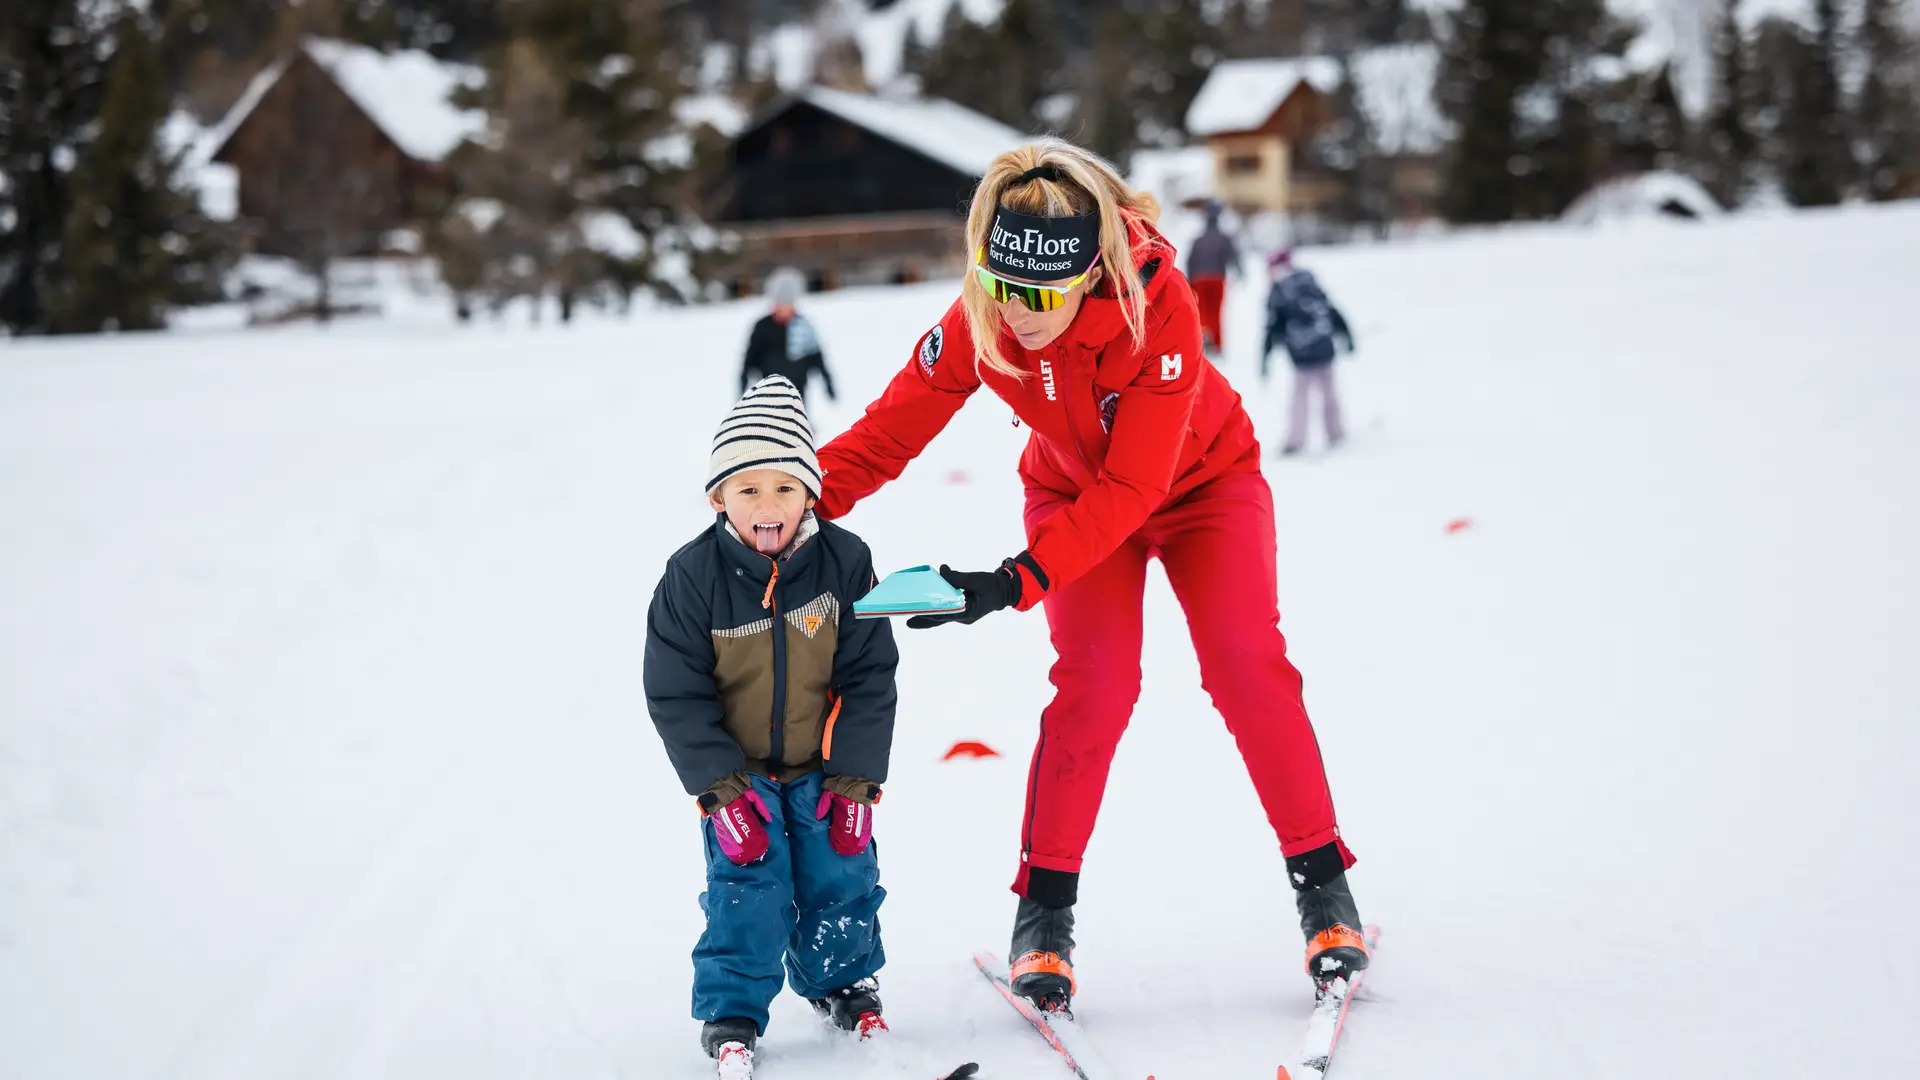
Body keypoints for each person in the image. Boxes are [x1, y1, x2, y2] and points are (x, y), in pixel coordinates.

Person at [813, 138, 1368, 1013]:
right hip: (1069, 492)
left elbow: (1136, 485)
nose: (1016, 311)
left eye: (1038, 294)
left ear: (1087, 275)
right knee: (1095, 686)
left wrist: (1011, 580)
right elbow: (888, 433)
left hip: (1202, 487)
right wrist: (785, 507)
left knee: (1244, 665)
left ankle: (1324, 886)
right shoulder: (985, 314)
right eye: (999, 285)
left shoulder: (1160, 307)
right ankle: (1044, 913)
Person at [645, 375, 899, 1071]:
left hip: (823, 770)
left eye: (785, 487)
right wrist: (717, 789)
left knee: (841, 874)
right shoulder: (692, 577)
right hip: (741, 778)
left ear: (810, 493)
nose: (767, 506)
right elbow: (675, 693)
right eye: (748, 488)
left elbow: (870, 674)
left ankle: (841, 979)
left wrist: (856, 779)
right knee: (747, 889)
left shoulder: (845, 563)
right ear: (717, 496)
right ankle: (732, 1008)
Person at [1261, 247, 1356, 455]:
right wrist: (1347, 335)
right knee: (1329, 393)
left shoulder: (1279, 290)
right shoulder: (1309, 282)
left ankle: (1296, 440)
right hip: (1324, 347)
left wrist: (1265, 356)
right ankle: (1336, 432)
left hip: (1301, 353)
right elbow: (1331, 310)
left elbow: (1272, 326)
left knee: (1300, 397)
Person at [740, 267, 837, 406]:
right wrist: (743, 384)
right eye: (781, 304)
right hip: (769, 390)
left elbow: (816, 357)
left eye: (788, 304)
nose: (784, 309)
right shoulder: (762, 327)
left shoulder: (803, 327)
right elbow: (750, 358)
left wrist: (827, 383)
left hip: (797, 390)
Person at [1184, 199, 1242, 360]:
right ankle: (1216, 345)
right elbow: (1234, 257)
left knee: (1201, 312)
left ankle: (1202, 341)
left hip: (1199, 279)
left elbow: (1190, 261)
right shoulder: (1224, 238)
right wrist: (1240, 271)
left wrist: (1188, 282)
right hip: (1217, 278)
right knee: (1216, 312)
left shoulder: (1198, 240)